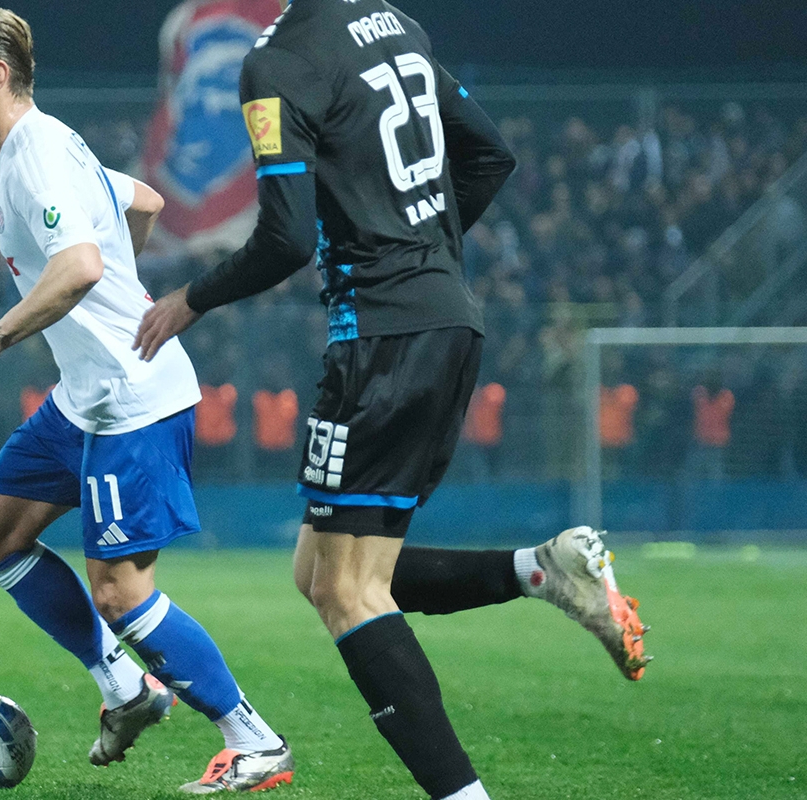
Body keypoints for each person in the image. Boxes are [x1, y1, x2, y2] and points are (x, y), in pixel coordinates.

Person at [134, 3, 648, 798]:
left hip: (383, 340)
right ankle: (543, 571)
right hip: (439, 322)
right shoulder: (392, 23)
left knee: (347, 589)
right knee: (321, 570)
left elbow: (285, 237)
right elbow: (492, 156)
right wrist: (425, 259)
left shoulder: (277, 64)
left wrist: (188, 301)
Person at [0, 6, 292, 793]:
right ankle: (125, 685)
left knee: (121, 591)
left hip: (133, 397)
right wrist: (117, 292)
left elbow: (83, 268)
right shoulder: (46, 145)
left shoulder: (34, 158)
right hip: (86, 394)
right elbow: (147, 206)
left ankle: (253, 739)